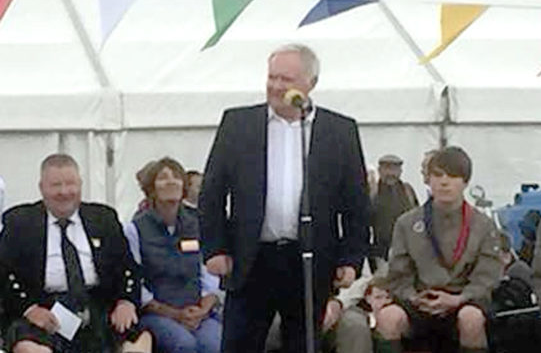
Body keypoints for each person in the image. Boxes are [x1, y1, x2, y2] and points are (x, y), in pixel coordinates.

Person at [199, 43, 370, 352]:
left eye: (286, 80)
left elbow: (356, 202)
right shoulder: (239, 124)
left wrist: (351, 258)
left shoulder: (339, 130)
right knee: (240, 343)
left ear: (310, 84)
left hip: (309, 260)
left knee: (302, 343)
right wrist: (214, 248)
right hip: (252, 259)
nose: (276, 87)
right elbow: (211, 192)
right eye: (272, 77)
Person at [0, 154, 149, 353]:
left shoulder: (104, 218)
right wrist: (30, 309)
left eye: (70, 184)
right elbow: (4, 272)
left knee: (140, 342)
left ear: (80, 184)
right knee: (30, 349)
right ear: (41, 187)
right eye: (55, 185)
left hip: (98, 306)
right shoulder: (20, 221)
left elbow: (127, 266)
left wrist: (126, 302)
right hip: (44, 308)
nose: (64, 192)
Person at [376, 146, 502, 353]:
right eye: (437, 175)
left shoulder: (483, 225)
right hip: (419, 302)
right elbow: (398, 275)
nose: (444, 182)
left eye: (452, 176)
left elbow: (487, 277)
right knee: (388, 318)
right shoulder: (407, 223)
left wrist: (459, 299)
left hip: (464, 300)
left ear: (465, 182)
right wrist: (414, 297)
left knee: (471, 318)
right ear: (428, 180)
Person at [124, 157, 222, 353]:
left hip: (198, 311)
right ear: (151, 189)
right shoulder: (135, 229)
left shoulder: (196, 224)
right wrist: (175, 314)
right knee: (184, 345)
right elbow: (135, 283)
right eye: (163, 178)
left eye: (176, 177)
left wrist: (203, 310)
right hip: (158, 313)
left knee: (215, 344)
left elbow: (209, 273)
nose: (171, 181)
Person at [372, 154, 418, 260]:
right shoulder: (372, 192)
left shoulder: (408, 191)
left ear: (400, 171)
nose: (391, 173)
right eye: (387, 168)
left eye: (395, 169)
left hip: (407, 253)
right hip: (380, 255)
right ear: (380, 170)